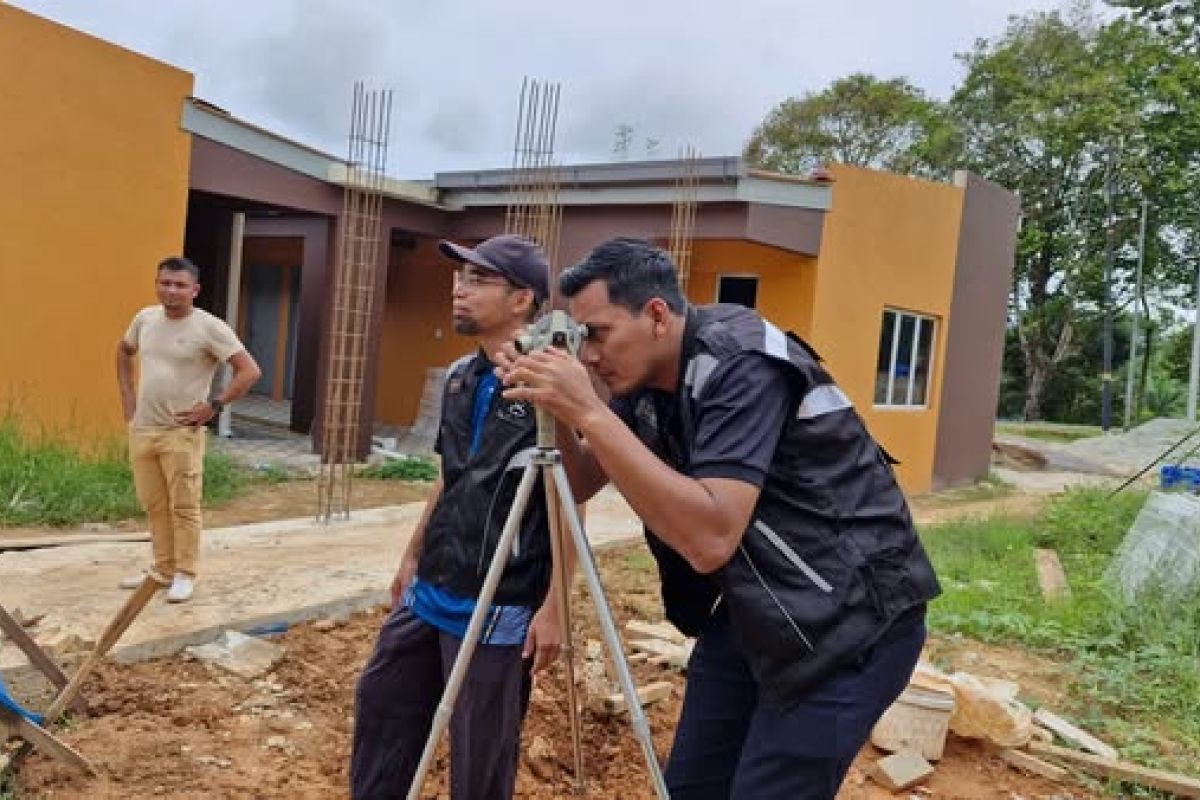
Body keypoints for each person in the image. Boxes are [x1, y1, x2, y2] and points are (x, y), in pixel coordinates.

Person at [500, 238, 941, 799]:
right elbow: (585, 478)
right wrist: (556, 408)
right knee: (691, 787)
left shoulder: (741, 362)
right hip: (752, 614)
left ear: (657, 315)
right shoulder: (642, 383)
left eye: (600, 332)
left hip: (850, 623)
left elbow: (710, 538)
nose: (589, 355)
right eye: (581, 337)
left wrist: (588, 408)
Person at [351, 234, 570, 800]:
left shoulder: (550, 382)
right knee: (384, 703)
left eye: (477, 280)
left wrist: (555, 607)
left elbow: (571, 497)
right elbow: (449, 476)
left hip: (500, 599)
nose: (459, 290)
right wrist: (411, 554)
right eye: (459, 278)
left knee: (479, 752)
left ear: (522, 299)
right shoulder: (459, 378)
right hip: (434, 586)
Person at [116, 256, 261, 603]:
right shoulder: (145, 319)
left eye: (180, 285)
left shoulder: (209, 327)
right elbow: (123, 351)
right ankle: (163, 568)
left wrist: (215, 406)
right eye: (165, 283)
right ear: (156, 284)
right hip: (144, 429)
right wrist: (127, 400)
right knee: (154, 505)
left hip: (180, 433)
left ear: (195, 290)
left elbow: (249, 370)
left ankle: (185, 572)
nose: (171, 290)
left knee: (184, 506)